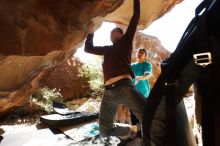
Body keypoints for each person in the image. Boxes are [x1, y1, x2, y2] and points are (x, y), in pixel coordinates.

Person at [84, 0, 146, 143]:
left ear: (121, 34)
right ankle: (132, 130)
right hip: (108, 93)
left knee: (149, 115)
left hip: (125, 88)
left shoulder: (126, 42)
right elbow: (88, 49)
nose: (111, 34)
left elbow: (135, 16)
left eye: (114, 31)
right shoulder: (107, 49)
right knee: (104, 130)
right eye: (110, 33)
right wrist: (91, 33)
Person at [130, 48, 152, 125]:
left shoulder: (147, 65)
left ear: (145, 56)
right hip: (133, 93)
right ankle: (135, 132)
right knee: (133, 114)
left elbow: (147, 75)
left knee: (144, 113)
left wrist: (138, 78)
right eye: (138, 52)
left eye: (142, 53)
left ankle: (144, 132)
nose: (139, 54)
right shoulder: (132, 66)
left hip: (144, 93)